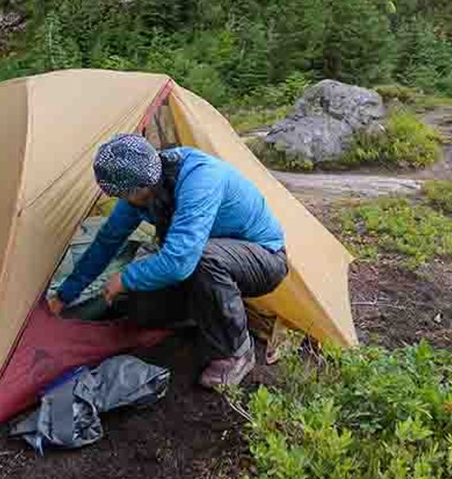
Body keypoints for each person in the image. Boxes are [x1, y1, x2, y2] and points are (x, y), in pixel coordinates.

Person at [47, 133, 288, 390]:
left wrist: (127, 277)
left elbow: (180, 262)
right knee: (137, 306)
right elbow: (107, 242)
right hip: (207, 261)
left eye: (124, 195)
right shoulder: (145, 185)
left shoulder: (200, 178)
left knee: (201, 258)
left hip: (264, 258)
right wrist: (65, 295)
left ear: (139, 188)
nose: (124, 202)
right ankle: (204, 316)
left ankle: (236, 352)